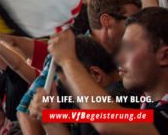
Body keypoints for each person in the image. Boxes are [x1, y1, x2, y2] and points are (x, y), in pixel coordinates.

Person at [46, 7, 168, 135]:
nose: (119, 58)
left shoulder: (161, 117)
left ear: (165, 56)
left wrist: (68, 59)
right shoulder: (141, 104)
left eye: (130, 48)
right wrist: (52, 122)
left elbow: (107, 122)